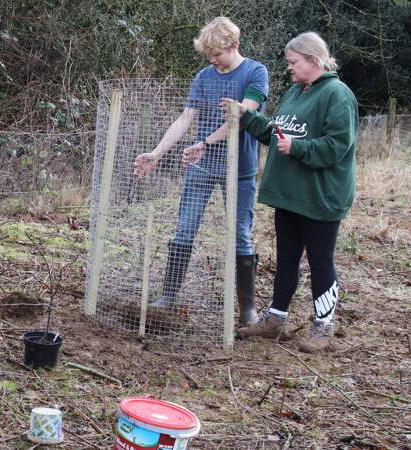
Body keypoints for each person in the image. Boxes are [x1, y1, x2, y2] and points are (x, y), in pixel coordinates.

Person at [131, 17, 269, 326]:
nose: (212, 60)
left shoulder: (256, 72)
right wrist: (156, 153)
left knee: (240, 237)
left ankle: (247, 309)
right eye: (208, 55)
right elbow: (185, 119)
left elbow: (242, 115)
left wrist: (206, 141)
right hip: (201, 166)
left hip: (240, 169)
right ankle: (168, 296)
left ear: (233, 45)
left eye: (217, 54)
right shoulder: (204, 76)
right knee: (184, 230)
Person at [230, 32, 357, 353]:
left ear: (313, 60)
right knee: (286, 258)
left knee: (320, 261)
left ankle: (323, 326)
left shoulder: (337, 95)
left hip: (320, 197)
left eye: (293, 62)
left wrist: (298, 147)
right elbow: (277, 133)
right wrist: (246, 117)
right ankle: (275, 319)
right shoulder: (295, 93)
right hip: (289, 194)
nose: (289, 68)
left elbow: (337, 146)